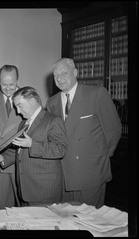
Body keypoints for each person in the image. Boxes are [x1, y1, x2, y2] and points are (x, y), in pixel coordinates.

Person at [46, 58, 122, 208]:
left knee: (89, 223)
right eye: (55, 75)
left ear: (75, 73)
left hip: (90, 173)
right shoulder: (51, 102)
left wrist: (98, 157)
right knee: (66, 221)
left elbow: (113, 130)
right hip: (63, 176)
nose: (59, 78)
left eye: (63, 73)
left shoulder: (96, 94)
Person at [0, 86, 68, 206]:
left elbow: (60, 149)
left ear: (33, 102)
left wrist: (32, 144)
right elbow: (20, 149)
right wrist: (3, 158)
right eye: (16, 107)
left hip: (43, 190)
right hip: (25, 188)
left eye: (20, 105)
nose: (18, 111)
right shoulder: (23, 123)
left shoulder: (53, 120)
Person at [0, 65, 22, 208]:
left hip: (20, 159)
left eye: (12, 84)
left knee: (24, 205)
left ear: (18, 81)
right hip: (1, 160)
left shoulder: (27, 97)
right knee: (5, 205)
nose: (8, 88)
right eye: (4, 84)